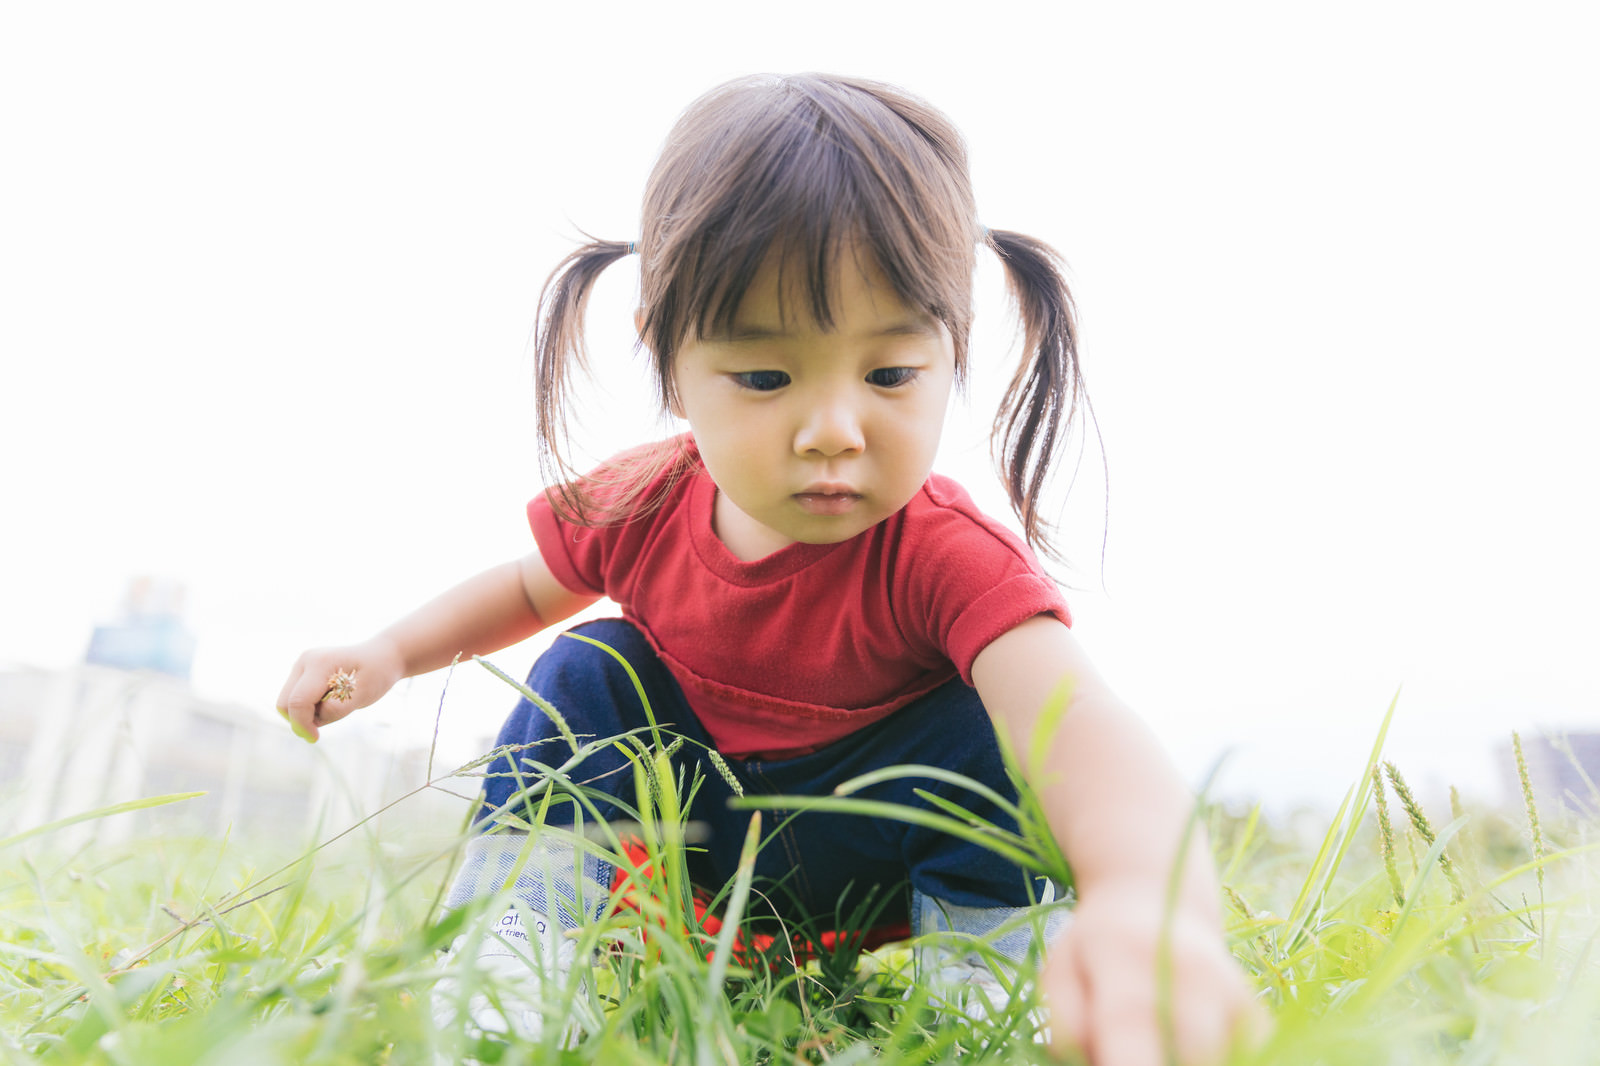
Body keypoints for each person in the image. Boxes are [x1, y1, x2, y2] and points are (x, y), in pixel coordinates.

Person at [277, 73, 1259, 1063]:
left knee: (985, 721)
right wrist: (390, 651)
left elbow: (1075, 722)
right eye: (763, 377)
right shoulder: (644, 501)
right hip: (699, 837)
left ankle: (988, 975)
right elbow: (528, 588)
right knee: (587, 664)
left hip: (874, 847)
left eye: (889, 374)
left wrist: (1148, 900)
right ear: (665, 355)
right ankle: (517, 952)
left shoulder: (941, 554)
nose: (832, 431)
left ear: (951, 352)